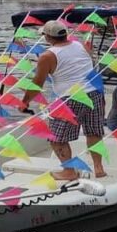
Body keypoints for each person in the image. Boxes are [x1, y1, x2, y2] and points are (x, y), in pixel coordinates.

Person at [24, 20, 106, 180]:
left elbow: (37, 84)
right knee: (94, 132)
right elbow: (92, 69)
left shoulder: (47, 56)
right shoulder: (82, 45)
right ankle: (99, 167)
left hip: (70, 98)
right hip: (94, 93)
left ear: (48, 37)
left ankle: (69, 171)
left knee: (55, 137)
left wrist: (24, 102)